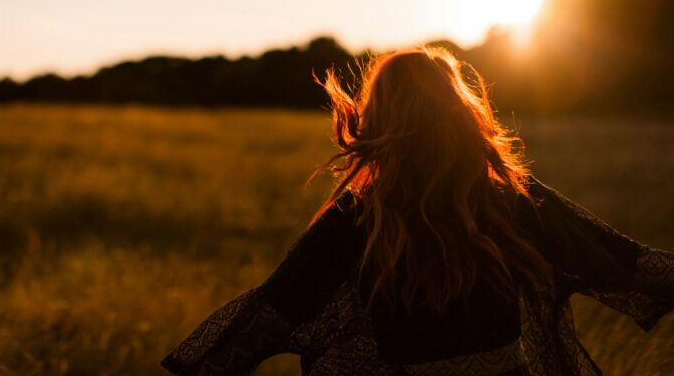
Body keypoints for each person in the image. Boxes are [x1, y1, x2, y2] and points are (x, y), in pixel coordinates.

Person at [161, 47, 673, 375]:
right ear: (457, 112)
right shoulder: (510, 198)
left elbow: (267, 314)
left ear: (380, 118)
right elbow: (629, 263)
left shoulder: (356, 218)